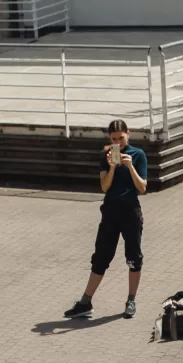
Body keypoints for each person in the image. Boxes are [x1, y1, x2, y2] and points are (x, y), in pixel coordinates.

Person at [65, 119, 147, 321]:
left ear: (128, 133)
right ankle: (86, 301)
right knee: (101, 256)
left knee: (133, 257)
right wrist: (111, 167)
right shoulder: (106, 155)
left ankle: (131, 300)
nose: (118, 142)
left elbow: (142, 187)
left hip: (130, 212)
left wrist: (129, 167)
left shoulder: (138, 154)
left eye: (121, 137)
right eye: (114, 139)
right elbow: (104, 187)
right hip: (110, 212)